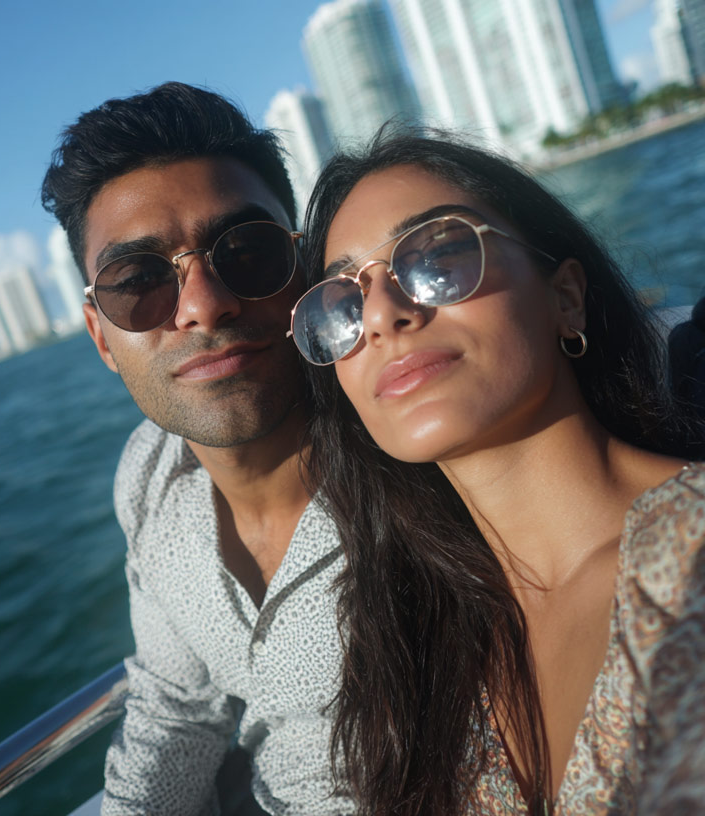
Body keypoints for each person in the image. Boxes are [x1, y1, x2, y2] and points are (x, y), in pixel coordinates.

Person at [291, 130, 705, 815]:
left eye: (438, 254)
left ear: (566, 297)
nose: (383, 314)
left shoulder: (690, 554)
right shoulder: (415, 648)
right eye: (341, 304)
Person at [41, 82, 351, 815]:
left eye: (246, 251)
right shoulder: (149, 478)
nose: (203, 303)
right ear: (100, 339)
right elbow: (178, 704)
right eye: (139, 281)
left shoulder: (418, 444)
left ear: (302, 269)